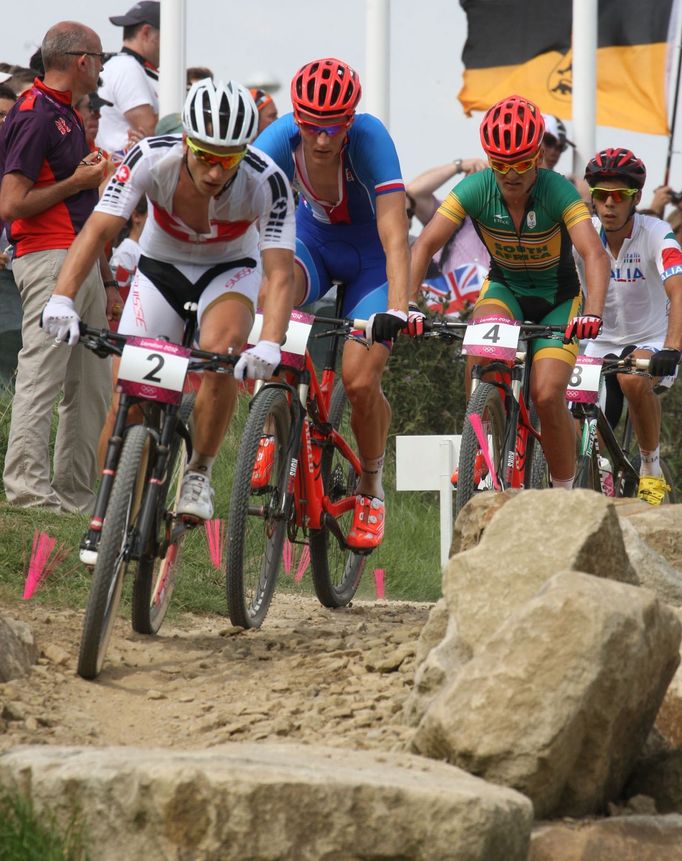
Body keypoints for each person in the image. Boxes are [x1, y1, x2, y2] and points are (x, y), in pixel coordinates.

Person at [41, 78, 297, 523]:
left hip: (229, 271)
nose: (216, 172)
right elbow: (97, 232)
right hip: (160, 268)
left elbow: (278, 274)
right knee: (128, 400)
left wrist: (271, 341)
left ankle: (198, 471)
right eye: (206, 157)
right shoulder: (151, 158)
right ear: (186, 141)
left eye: (229, 159)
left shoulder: (266, 181)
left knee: (220, 356)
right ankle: (110, 506)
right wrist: (61, 299)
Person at [410, 94, 611, 490]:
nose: (511, 175)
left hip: (558, 301)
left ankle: (563, 491)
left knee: (548, 392)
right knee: (482, 350)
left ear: (537, 155)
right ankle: (482, 439)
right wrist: (407, 305)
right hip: (505, 289)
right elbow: (424, 246)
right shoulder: (476, 188)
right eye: (501, 164)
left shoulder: (558, 192)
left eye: (521, 163)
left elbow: (595, 255)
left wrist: (594, 313)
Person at [254, 57, 411, 550]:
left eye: (334, 127)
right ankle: (273, 422)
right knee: (269, 299)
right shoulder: (279, 138)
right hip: (313, 243)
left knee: (360, 380)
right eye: (312, 127)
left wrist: (399, 309)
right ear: (297, 119)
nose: (322, 139)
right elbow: (239, 214)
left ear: (350, 120)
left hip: (370, 258)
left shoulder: (370, 139)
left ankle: (370, 483)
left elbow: (394, 233)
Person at [0, 21, 112, 511]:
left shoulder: (61, 111)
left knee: (91, 388)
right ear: (82, 61)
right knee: (42, 375)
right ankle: (27, 491)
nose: (104, 65)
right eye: (100, 56)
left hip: (78, 259)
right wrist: (78, 181)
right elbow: (12, 203)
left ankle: (74, 498)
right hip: (48, 257)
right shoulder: (35, 113)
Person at [577, 148, 682, 504]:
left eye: (618, 196)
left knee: (632, 378)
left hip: (651, 339)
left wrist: (672, 347)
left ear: (635, 198)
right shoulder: (585, 234)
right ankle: (595, 469)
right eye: (600, 195)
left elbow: (678, 288)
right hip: (600, 341)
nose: (609, 204)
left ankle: (651, 469)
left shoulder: (657, 232)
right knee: (565, 397)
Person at [406, 158, 489, 316]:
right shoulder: (447, 218)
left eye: (484, 183)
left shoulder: (506, 221)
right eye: (472, 184)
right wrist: (459, 166)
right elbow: (414, 191)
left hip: (490, 310)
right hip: (446, 318)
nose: (478, 190)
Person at [97, 1, 160, 156]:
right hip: (124, 169)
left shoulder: (121, 65)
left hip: (119, 165)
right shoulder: (127, 67)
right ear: (146, 33)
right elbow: (150, 129)